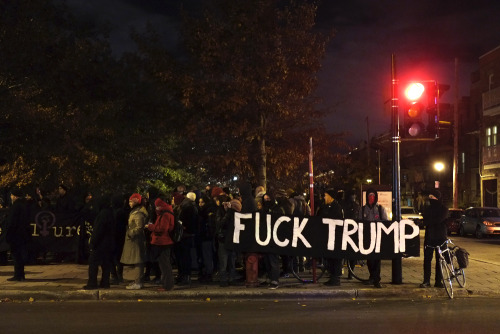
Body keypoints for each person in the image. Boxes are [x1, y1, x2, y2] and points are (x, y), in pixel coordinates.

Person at [83, 194, 115, 290]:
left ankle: (92, 283)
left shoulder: (102, 214)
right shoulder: (110, 212)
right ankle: (105, 282)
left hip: (100, 244)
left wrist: (93, 242)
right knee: (106, 264)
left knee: (93, 262)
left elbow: (98, 230)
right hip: (108, 243)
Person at [359, 188, 388, 288]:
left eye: (373, 196)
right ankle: (372, 276)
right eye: (369, 195)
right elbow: (359, 223)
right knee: (369, 260)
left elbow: (385, 222)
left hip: (377, 238)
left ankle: (377, 279)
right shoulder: (362, 209)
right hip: (367, 238)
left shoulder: (380, 209)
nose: (371, 197)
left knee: (377, 259)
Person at [420, 189, 449, 288]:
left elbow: (438, 219)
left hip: (440, 237)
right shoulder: (428, 208)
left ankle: (438, 281)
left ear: (438, 198)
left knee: (439, 260)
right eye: (430, 197)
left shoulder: (443, 208)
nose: (431, 199)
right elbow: (425, 220)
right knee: (427, 259)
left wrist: (428, 221)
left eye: (433, 197)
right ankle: (426, 280)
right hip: (430, 236)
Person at [146, 196, 175, 291]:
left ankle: (167, 285)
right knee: (164, 265)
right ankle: (166, 284)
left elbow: (162, 228)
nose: (156, 208)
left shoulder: (165, 214)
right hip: (163, 241)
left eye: (157, 206)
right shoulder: (164, 213)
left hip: (163, 242)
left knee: (165, 265)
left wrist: (150, 227)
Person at [317, 188, 344, 286]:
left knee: (335, 258)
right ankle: (333, 276)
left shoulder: (336, 207)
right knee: (330, 257)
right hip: (328, 236)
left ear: (330, 197)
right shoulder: (326, 206)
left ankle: (335, 278)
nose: (324, 197)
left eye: (325, 195)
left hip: (334, 236)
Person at [120, 193, 148, 290]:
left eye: (131, 201)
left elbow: (139, 227)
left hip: (136, 240)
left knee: (138, 260)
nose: (129, 203)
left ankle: (138, 281)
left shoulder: (138, 213)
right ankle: (137, 280)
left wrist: (130, 233)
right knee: (136, 260)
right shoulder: (136, 212)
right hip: (134, 240)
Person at [5, 188, 31, 281]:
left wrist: (8, 233)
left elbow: (12, 221)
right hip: (23, 234)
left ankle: (18, 275)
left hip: (16, 234)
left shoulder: (16, 206)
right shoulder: (25, 205)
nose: (11, 197)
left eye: (12, 195)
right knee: (20, 254)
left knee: (16, 255)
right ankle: (21, 274)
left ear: (15, 196)